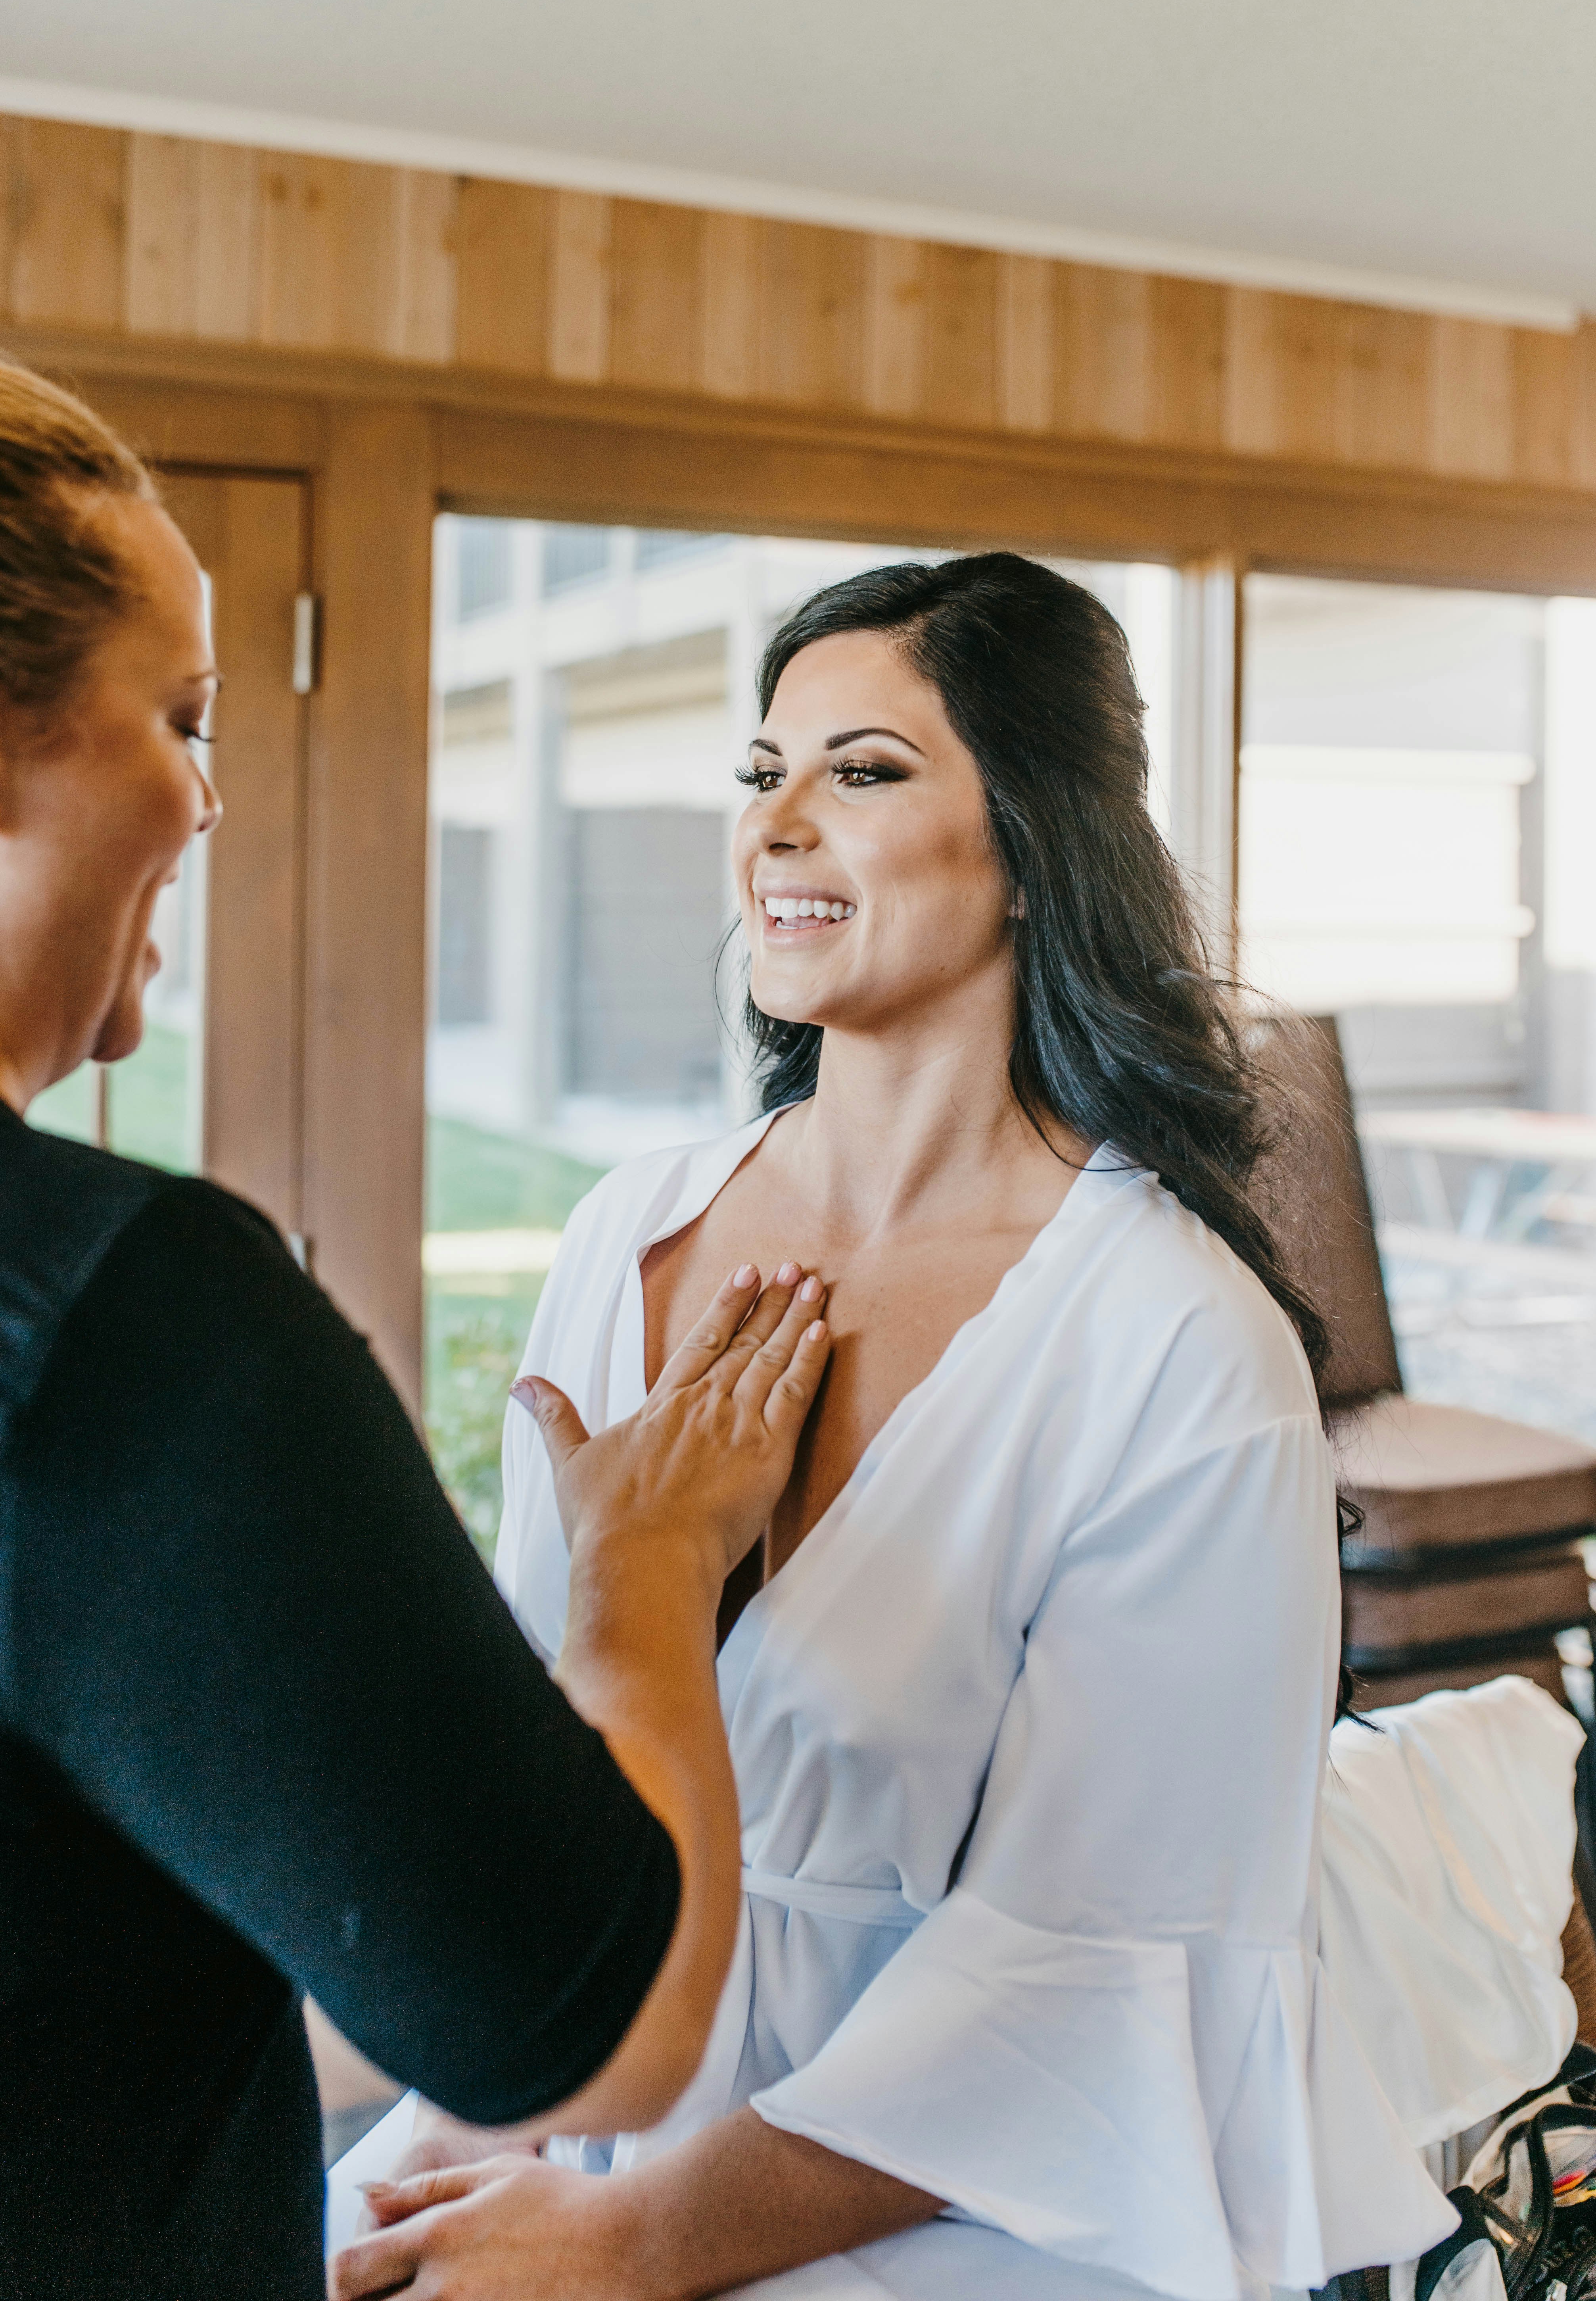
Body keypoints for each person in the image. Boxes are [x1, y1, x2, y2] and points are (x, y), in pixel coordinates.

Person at [330, 555, 1457, 2300]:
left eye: (858, 771)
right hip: (574, 2084)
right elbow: (542, 1758)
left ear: (1032, 839)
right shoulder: (626, 1235)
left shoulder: (1174, 1345)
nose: (775, 822)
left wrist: (644, 2239)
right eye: (758, 772)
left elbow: (1093, 1975)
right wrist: (512, 2109)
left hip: (969, 2186)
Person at [0, 354, 832, 2297]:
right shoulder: (121, 1324)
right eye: (182, 719)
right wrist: (643, 1566)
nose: (209, 796)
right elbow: (591, 2022)